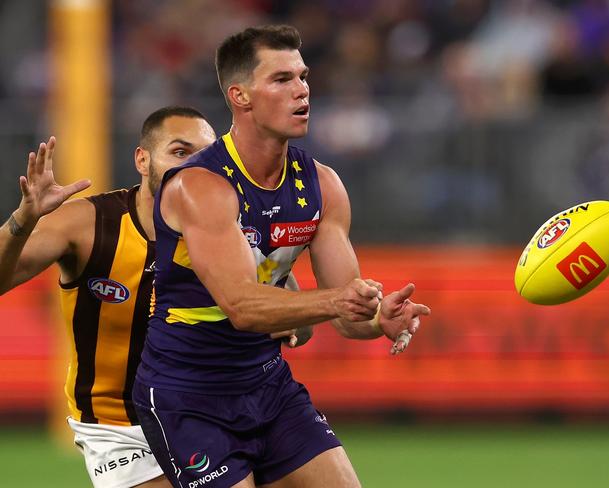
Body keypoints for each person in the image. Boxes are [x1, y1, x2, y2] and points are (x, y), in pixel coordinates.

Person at [133, 25, 431, 488]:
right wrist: (336, 301)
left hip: (267, 385)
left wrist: (378, 320)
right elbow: (244, 307)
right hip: (188, 396)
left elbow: (349, 315)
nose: (302, 90)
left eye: (303, 76)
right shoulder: (200, 186)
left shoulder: (323, 185)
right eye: (282, 80)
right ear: (241, 96)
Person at [0, 106, 310, 488]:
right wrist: (22, 220)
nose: (195, 169)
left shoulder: (226, 229)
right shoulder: (89, 225)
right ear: (142, 160)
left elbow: (294, 319)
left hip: (206, 411)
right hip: (120, 426)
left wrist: (290, 324)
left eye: (206, 156)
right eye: (180, 153)